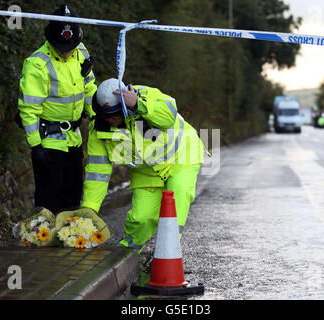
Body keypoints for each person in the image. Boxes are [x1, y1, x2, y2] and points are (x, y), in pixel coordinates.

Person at [75, 78, 206, 253]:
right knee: (141, 219)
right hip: (146, 171)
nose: (110, 120)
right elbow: (97, 171)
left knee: (178, 198)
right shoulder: (99, 130)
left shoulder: (144, 96)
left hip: (181, 157)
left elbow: (168, 114)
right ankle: (126, 253)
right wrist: (90, 207)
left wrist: (139, 105)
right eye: (106, 116)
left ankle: (169, 252)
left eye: (115, 114)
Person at [17, 4, 97, 214]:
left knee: (72, 197)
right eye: (61, 47)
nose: (67, 51)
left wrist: (98, 117)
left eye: (70, 46)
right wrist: (36, 146)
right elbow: (28, 108)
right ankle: (44, 242)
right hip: (49, 139)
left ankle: (67, 241)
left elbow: (89, 88)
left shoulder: (80, 51)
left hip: (74, 137)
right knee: (49, 198)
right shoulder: (37, 64)